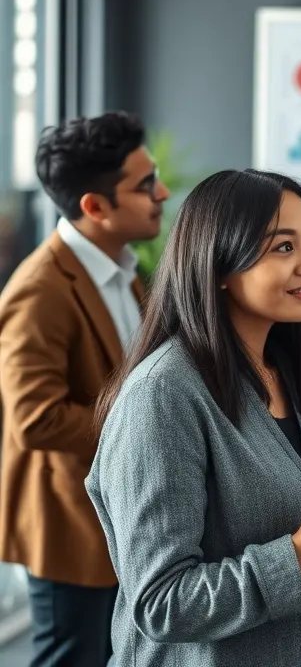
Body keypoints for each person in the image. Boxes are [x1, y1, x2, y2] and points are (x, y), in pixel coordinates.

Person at [85, 169, 301, 666]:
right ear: (218, 265)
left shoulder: (299, 378)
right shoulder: (162, 396)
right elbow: (162, 604)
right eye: (283, 248)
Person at [0, 112, 169, 667]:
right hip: (70, 522)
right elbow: (35, 420)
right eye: (145, 186)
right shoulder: (40, 290)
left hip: (120, 513)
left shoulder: (124, 267)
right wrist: (141, 431)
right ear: (95, 207)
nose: (162, 192)